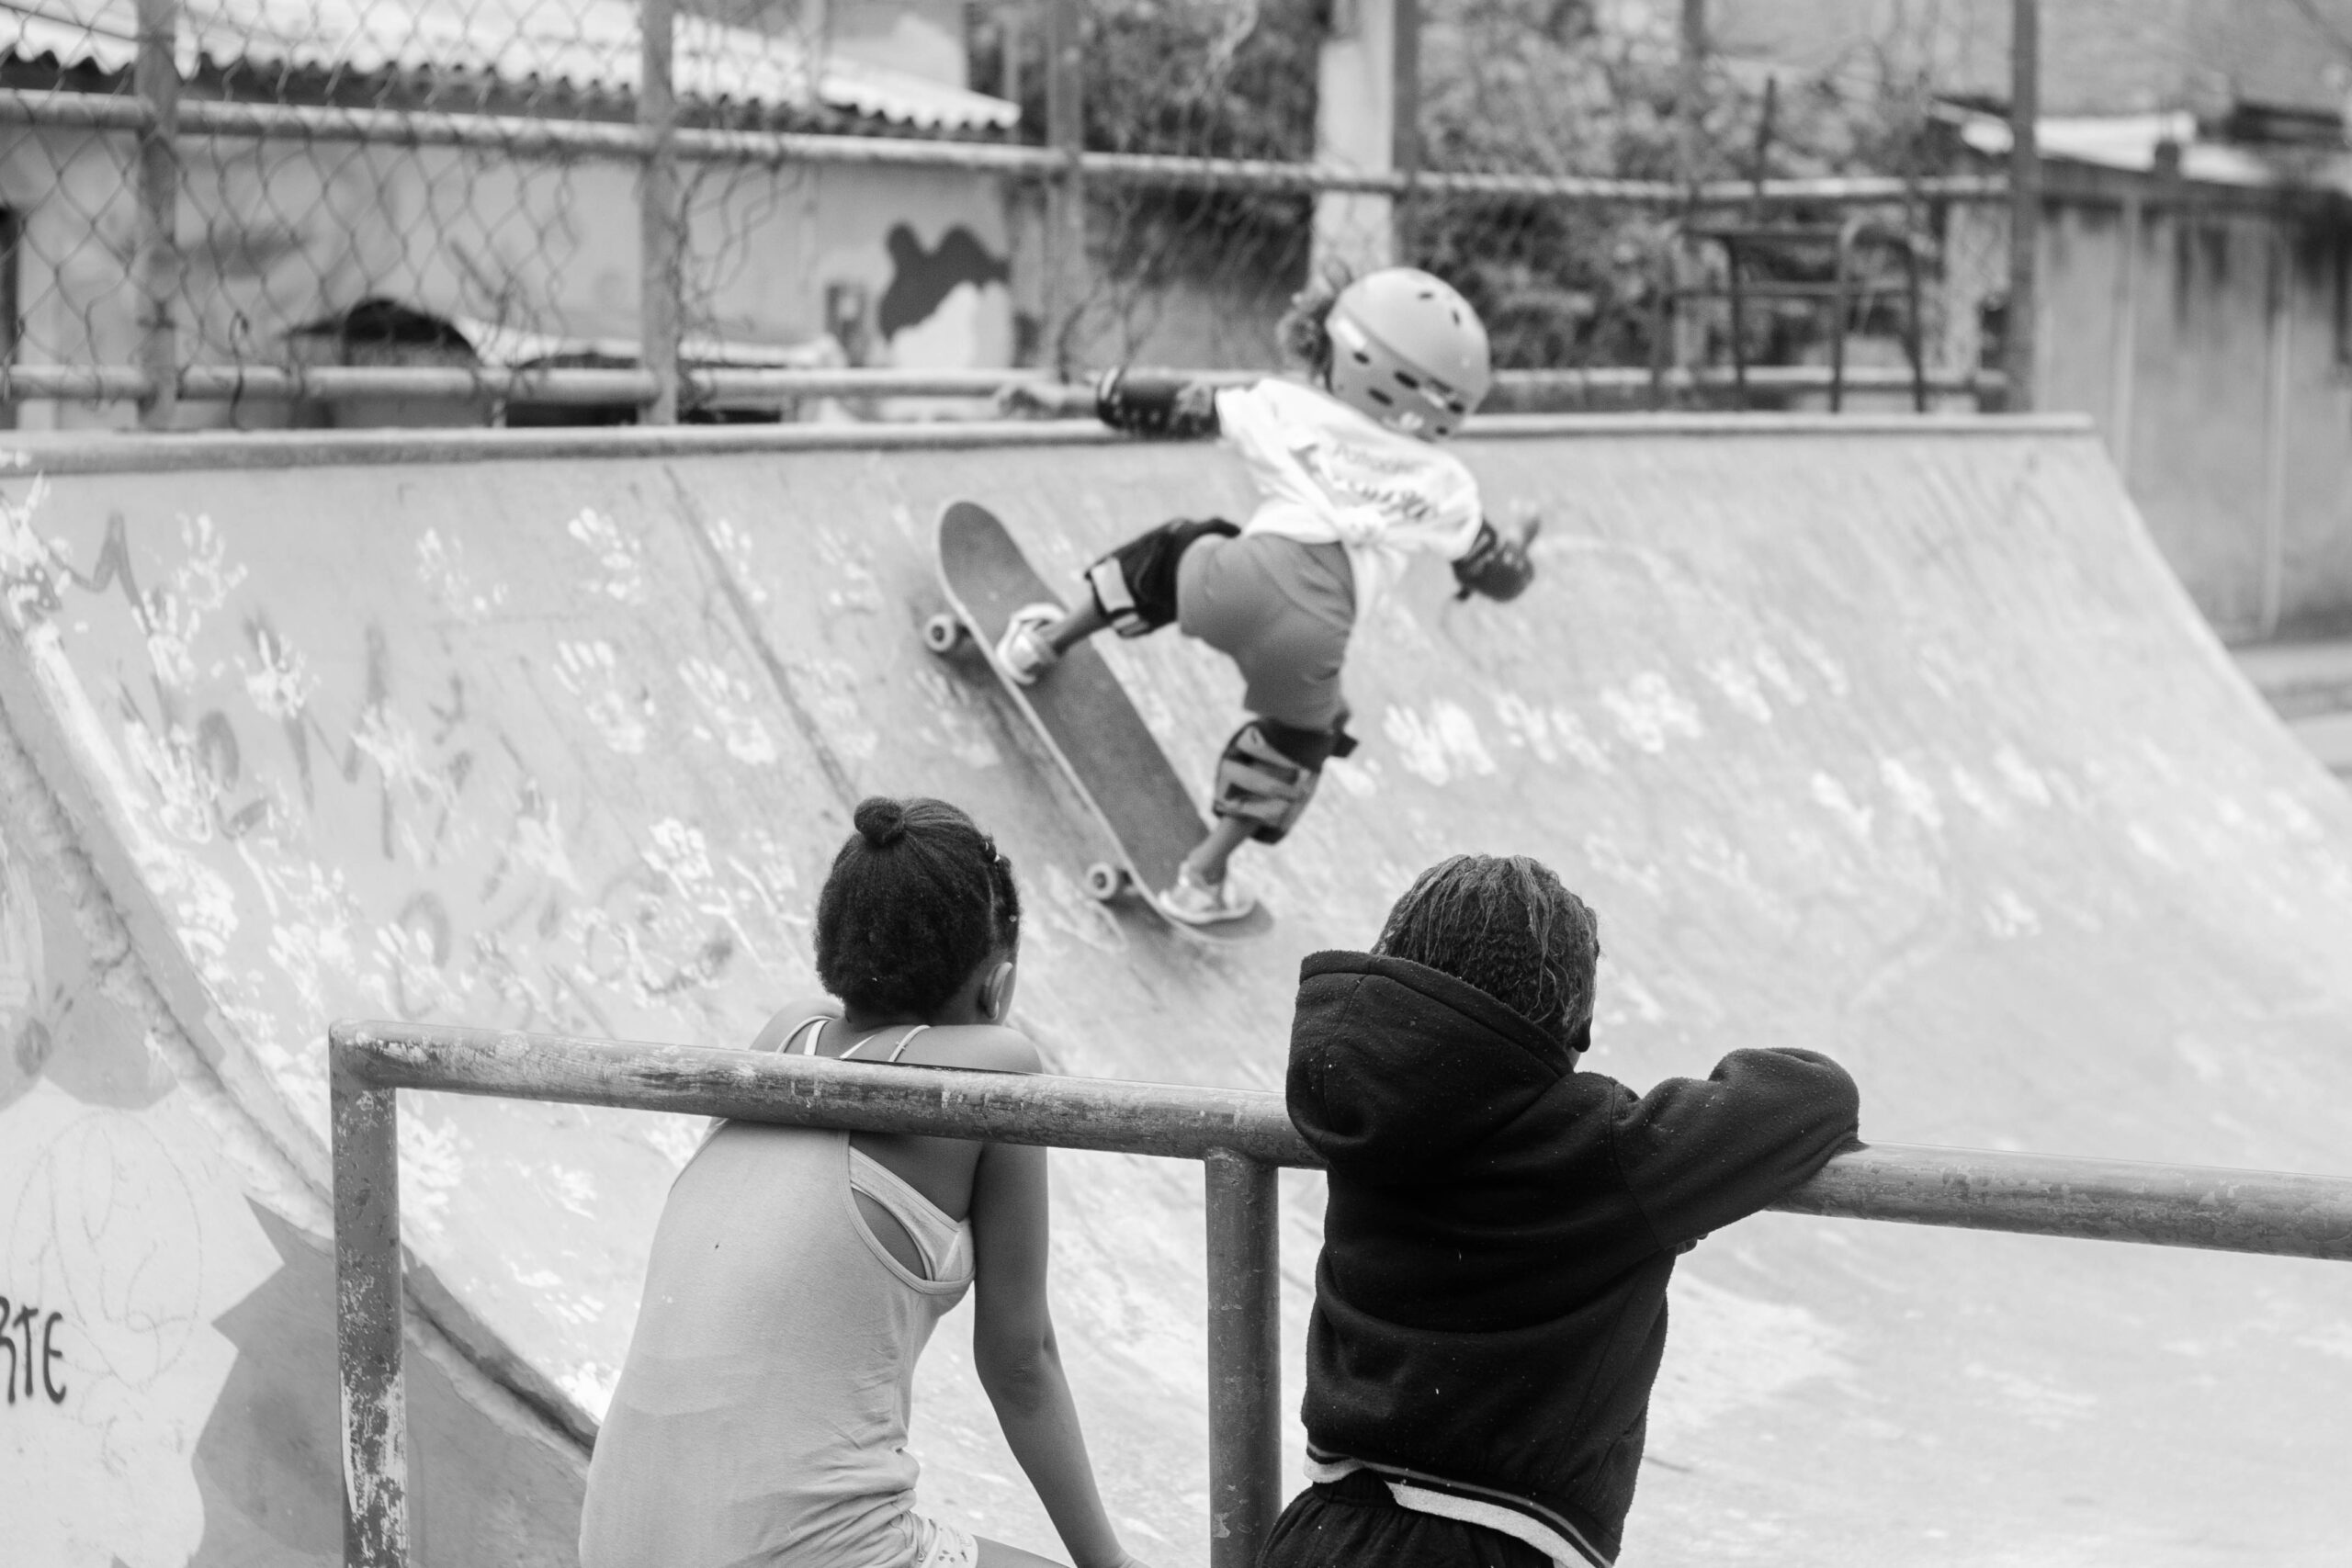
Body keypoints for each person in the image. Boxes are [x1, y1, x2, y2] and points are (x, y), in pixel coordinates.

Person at [580, 795, 1152, 1568]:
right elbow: (1021, 1360)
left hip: (617, 1532)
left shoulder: (788, 1033)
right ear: (998, 983)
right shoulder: (1000, 1067)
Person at [1265, 854, 1861, 1568]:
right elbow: (1812, 1095)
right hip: (1487, 1546)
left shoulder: (1354, 1107)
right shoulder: (1599, 1150)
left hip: (1316, 1528)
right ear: (1573, 1026)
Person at [995, 267, 1537, 927]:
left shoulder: (1285, 405)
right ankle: (1204, 874)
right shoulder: (1447, 484)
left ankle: (1040, 643)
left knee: (1176, 548)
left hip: (1230, 580)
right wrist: (1520, 552)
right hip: (1312, 640)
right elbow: (1496, 574)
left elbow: (1178, 403)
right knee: (1303, 740)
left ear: (1338, 349)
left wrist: (1074, 400)